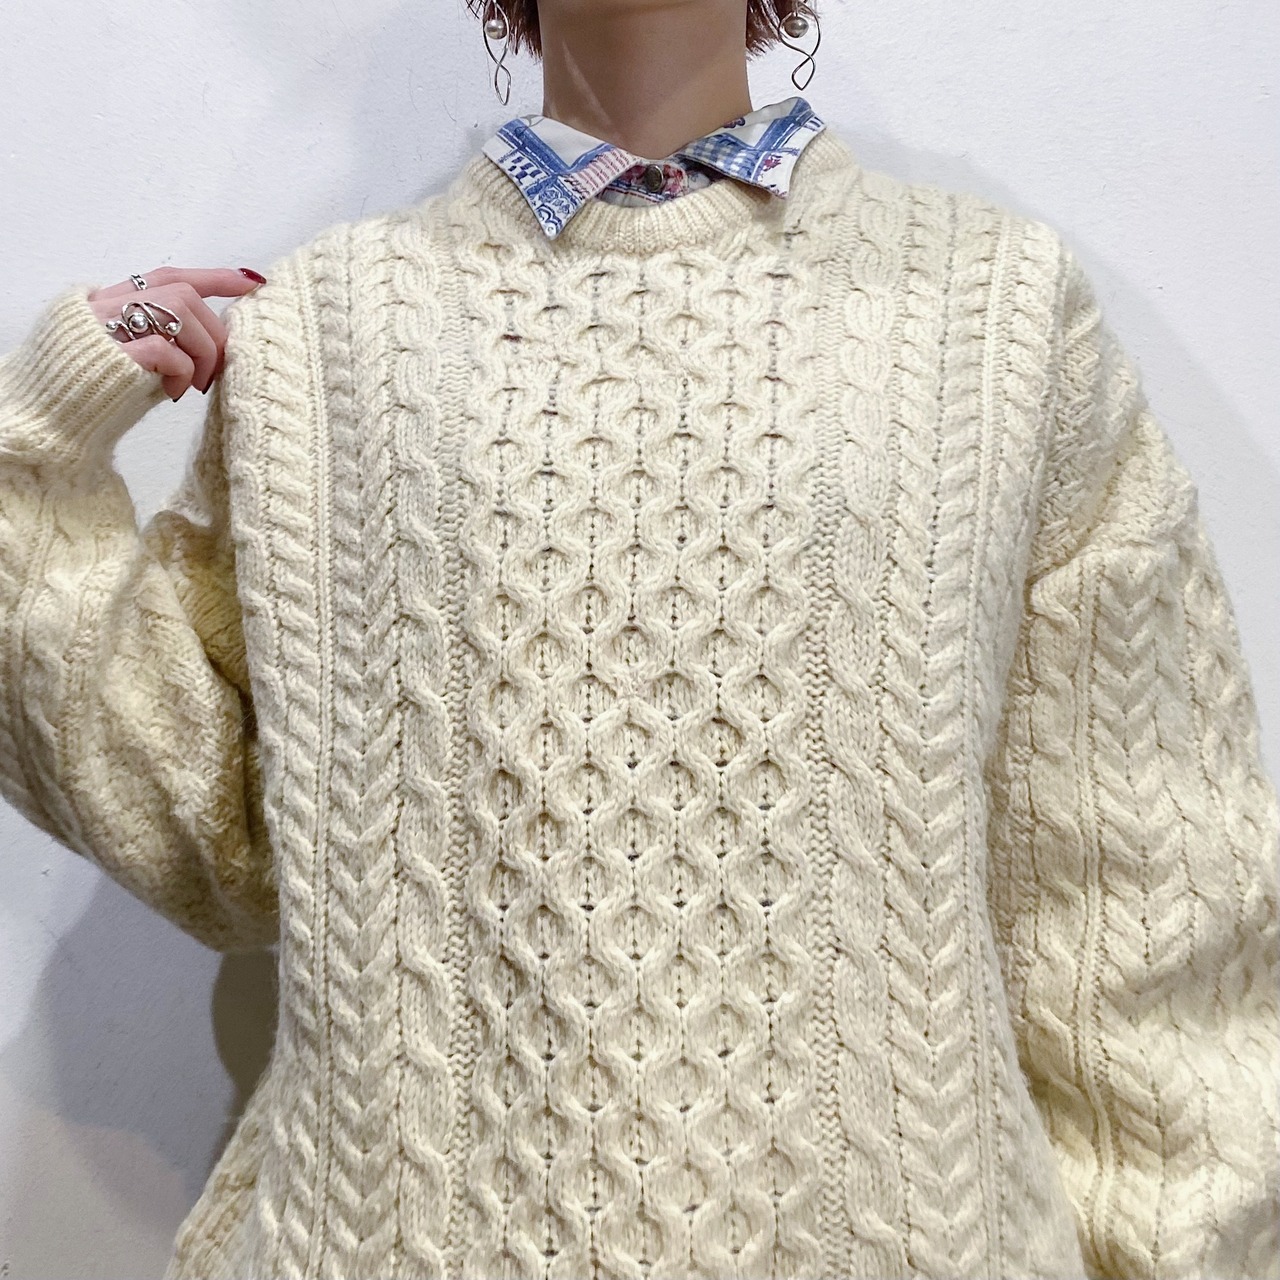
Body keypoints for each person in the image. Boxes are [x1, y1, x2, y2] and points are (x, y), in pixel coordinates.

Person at [0, 2, 1276, 1277]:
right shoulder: (326, 335)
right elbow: (216, 843)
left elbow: (1145, 887)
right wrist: (32, 458)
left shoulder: (993, 313)